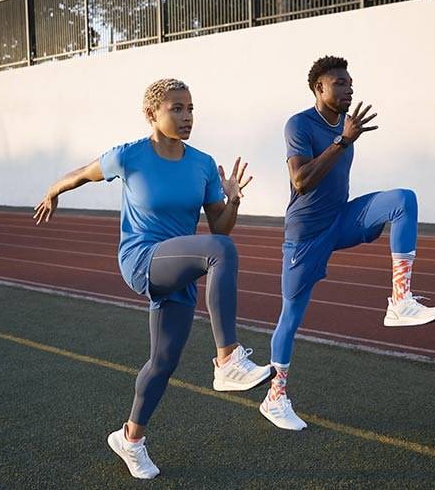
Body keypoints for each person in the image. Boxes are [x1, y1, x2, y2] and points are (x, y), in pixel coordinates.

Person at [33, 78, 272, 479]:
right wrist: (53, 190)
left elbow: (221, 228)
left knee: (163, 361)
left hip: (179, 268)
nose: (186, 117)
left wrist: (231, 199)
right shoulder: (129, 156)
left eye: (190, 108)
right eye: (176, 109)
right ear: (152, 114)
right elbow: (83, 173)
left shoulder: (201, 164)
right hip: (142, 259)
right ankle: (227, 359)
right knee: (220, 252)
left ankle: (130, 438)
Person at [261, 56, 435, 431]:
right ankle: (275, 397)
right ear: (319, 88)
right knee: (291, 316)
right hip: (306, 234)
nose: (349, 89)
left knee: (402, 200)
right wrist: (342, 141)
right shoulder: (299, 125)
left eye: (350, 83)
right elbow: (301, 181)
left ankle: (400, 300)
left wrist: (345, 139)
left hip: (340, 219)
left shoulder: (348, 129)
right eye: (340, 83)